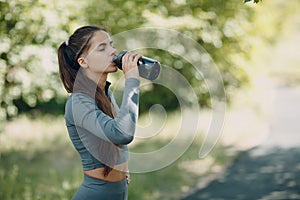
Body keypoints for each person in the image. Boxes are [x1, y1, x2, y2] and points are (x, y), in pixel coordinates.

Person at [57, 25, 141, 200]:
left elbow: (119, 131)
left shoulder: (105, 93)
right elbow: (122, 134)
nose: (113, 51)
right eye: (102, 48)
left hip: (118, 192)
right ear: (83, 62)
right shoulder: (78, 102)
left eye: (111, 45)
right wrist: (132, 80)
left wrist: (121, 168)